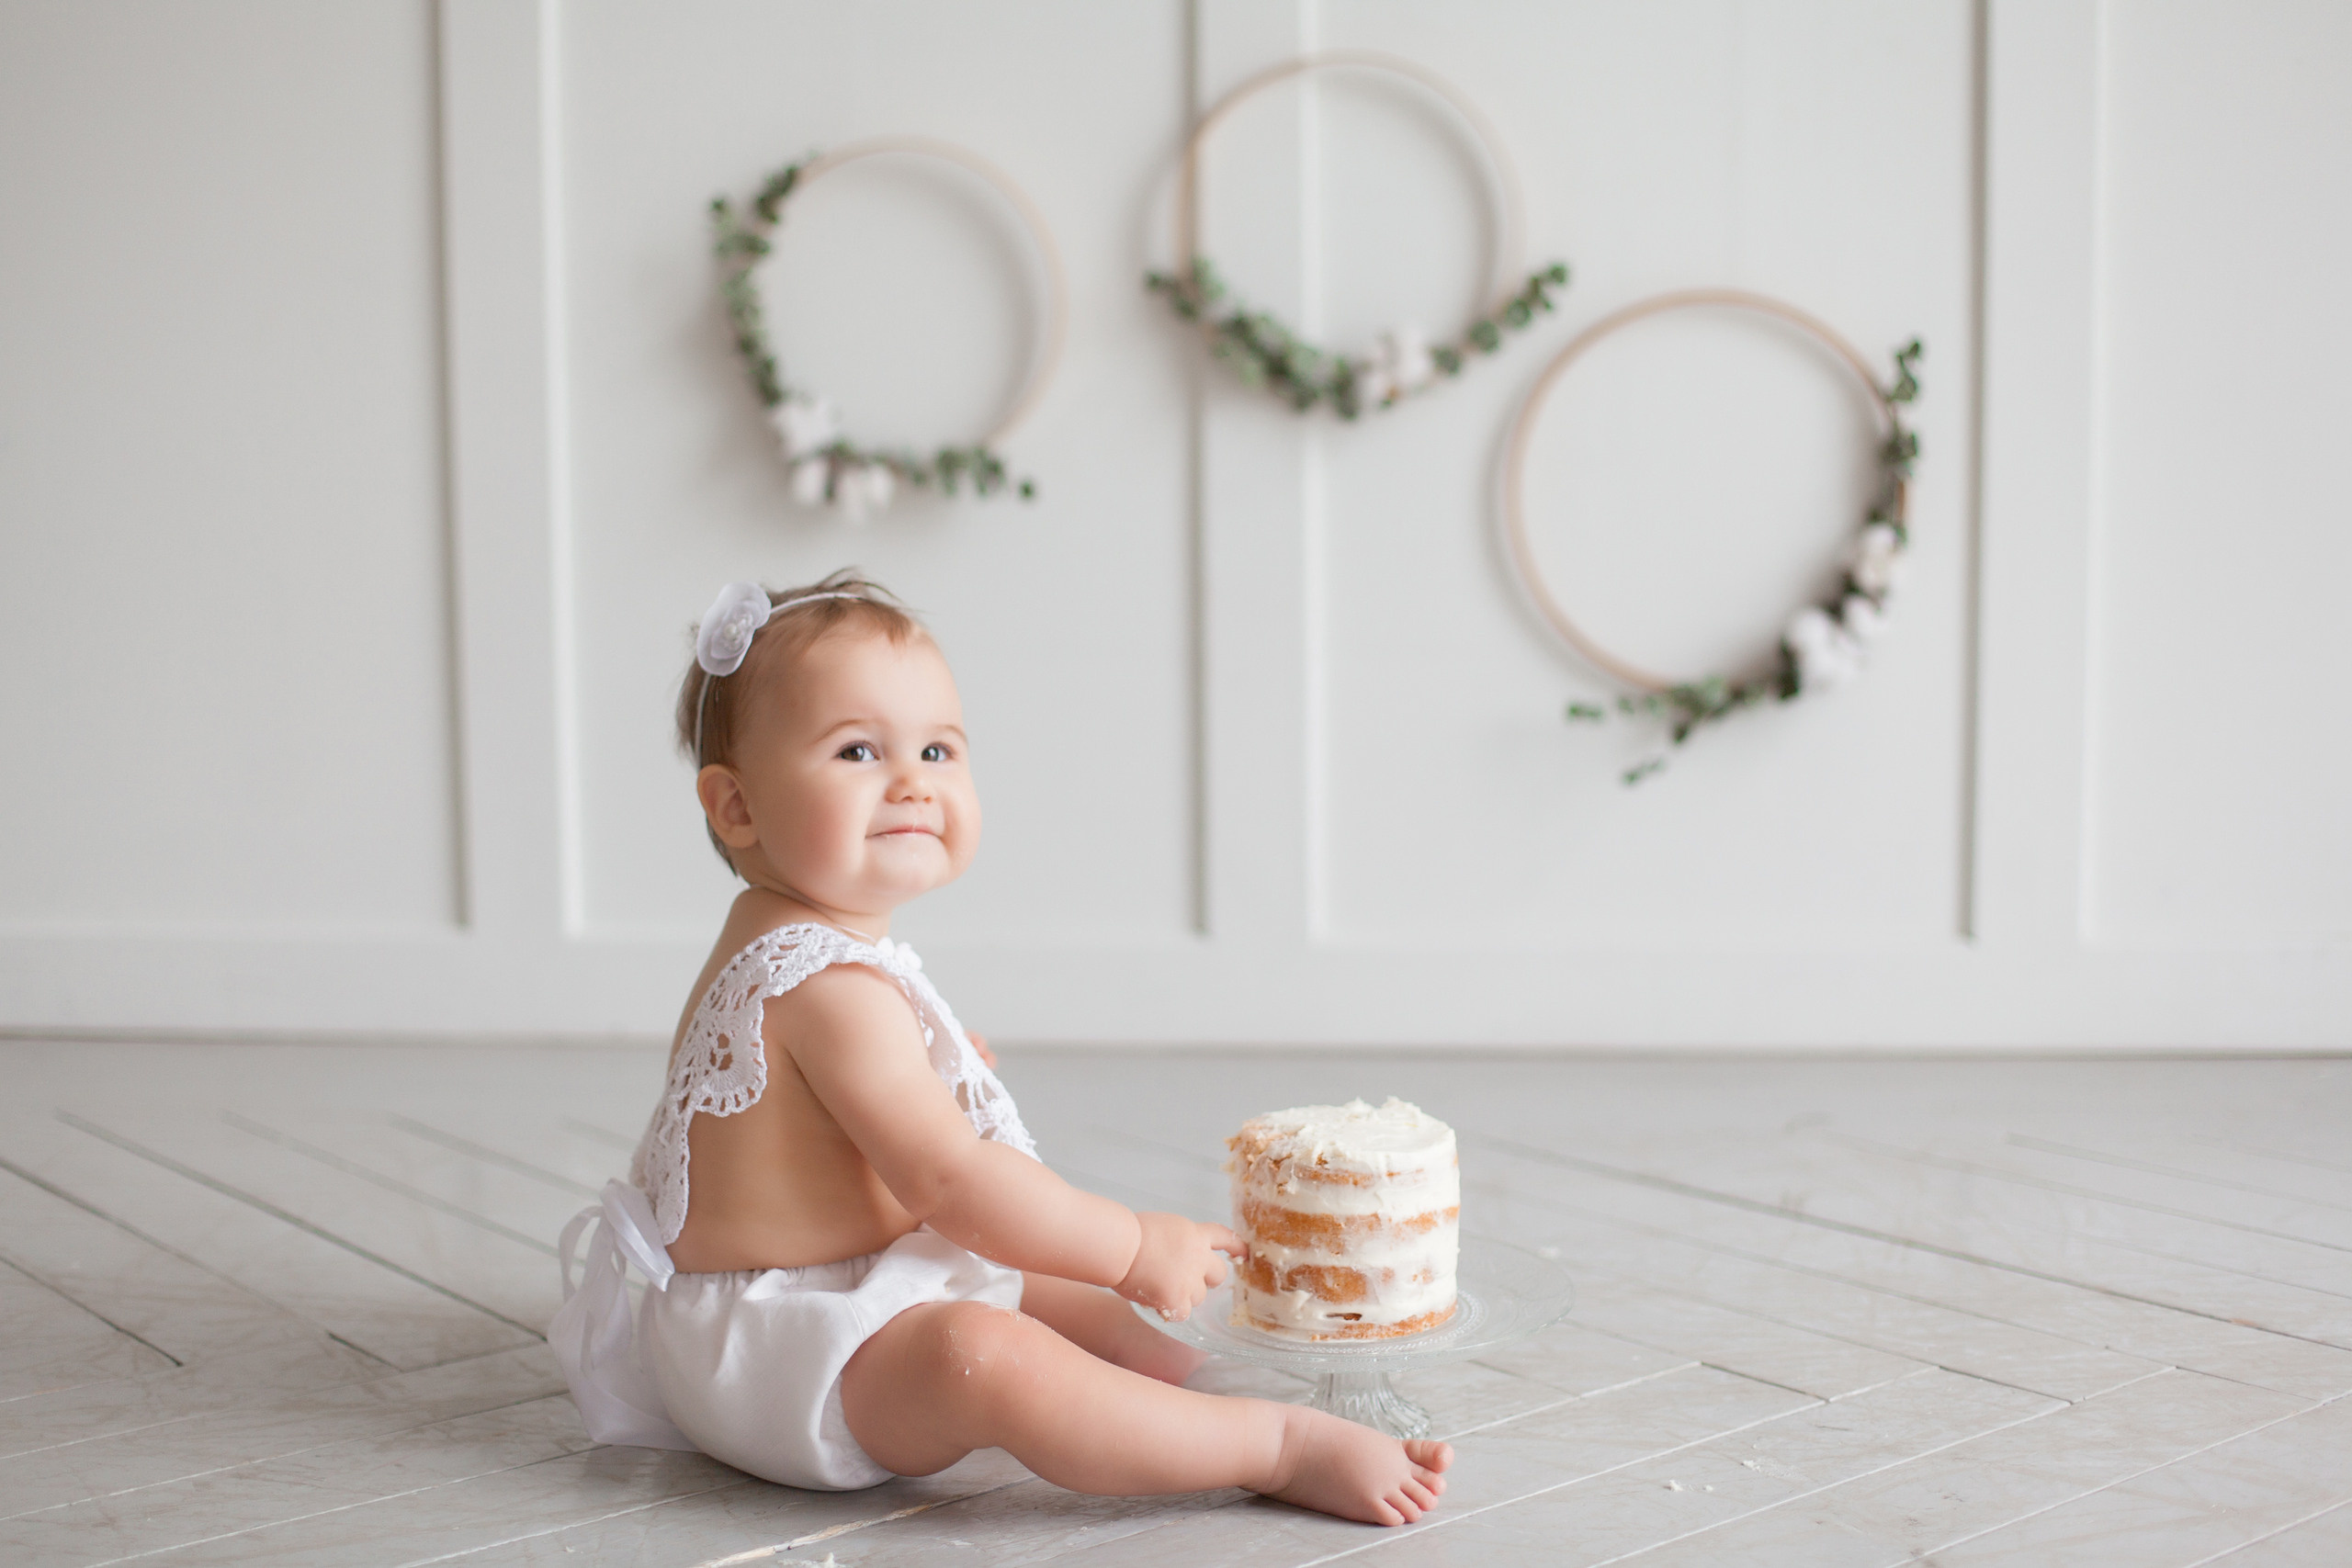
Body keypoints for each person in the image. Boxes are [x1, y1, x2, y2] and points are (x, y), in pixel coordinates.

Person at [550, 571, 1451, 1527]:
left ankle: (1197, 1382)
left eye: (937, 749)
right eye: (858, 750)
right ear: (736, 808)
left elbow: (826, 1124)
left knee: (1043, 1285)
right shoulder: (826, 982)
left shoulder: (780, 934)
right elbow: (949, 1181)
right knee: (987, 1357)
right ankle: (1271, 1443)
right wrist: (1130, 1244)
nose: (913, 781)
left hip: (840, 1287)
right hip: (787, 1359)